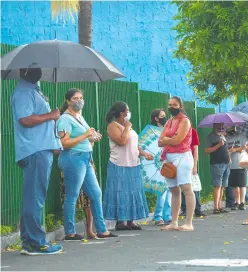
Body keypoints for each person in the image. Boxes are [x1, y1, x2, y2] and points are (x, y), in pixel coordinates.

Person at [11, 68, 63, 255]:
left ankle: (29, 241)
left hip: (41, 148)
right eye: (34, 67)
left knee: (33, 197)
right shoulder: (24, 91)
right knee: (35, 197)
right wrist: (51, 115)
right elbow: (24, 119)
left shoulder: (34, 89)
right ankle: (35, 242)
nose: (39, 70)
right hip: (35, 149)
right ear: (23, 70)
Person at [57, 88, 117, 240]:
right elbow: (64, 143)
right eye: (75, 98)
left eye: (81, 97)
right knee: (72, 195)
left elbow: (84, 138)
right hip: (73, 158)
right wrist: (85, 135)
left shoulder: (79, 117)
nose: (79, 100)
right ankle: (69, 232)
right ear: (68, 101)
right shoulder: (65, 119)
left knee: (96, 193)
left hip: (85, 158)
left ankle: (102, 230)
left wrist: (92, 138)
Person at [103, 102, 153, 230]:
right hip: (118, 163)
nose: (129, 113)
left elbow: (133, 144)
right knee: (120, 191)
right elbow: (122, 141)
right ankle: (120, 221)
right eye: (127, 110)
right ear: (122, 113)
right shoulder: (113, 126)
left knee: (132, 191)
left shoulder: (128, 127)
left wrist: (143, 153)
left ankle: (131, 220)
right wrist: (126, 127)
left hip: (133, 163)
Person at [158, 96, 195, 231]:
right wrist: (169, 139)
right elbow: (159, 140)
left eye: (174, 104)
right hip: (169, 158)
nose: (171, 107)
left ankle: (189, 223)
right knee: (174, 190)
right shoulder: (169, 121)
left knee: (186, 188)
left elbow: (178, 140)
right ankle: (174, 222)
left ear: (180, 106)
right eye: (170, 104)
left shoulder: (184, 121)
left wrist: (167, 139)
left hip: (182, 156)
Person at [150, 109, 172, 226]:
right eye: (162, 116)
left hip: (168, 160)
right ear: (156, 118)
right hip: (158, 162)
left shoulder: (168, 131)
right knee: (162, 189)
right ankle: (158, 215)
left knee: (169, 189)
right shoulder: (152, 132)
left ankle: (167, 215)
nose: (165, 118)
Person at [181, 127, 207, 217]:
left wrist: (195, 165)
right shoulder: (177, 131)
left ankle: (198, 208)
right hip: (180, 162)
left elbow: (195, 150)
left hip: (190, 162)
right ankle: (185, 209)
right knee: (183, 186)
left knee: (194, 187)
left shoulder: (192, 132)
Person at [205, 123, 230, 214]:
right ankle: (215, 207)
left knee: (223, 186)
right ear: (214, 126)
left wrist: (229, 158)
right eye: (219, 126)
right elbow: (207, 150)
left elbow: (226, 148)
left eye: (223, 126)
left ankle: (219, 206)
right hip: (217, 164)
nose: (221, 128)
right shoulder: (210, 137)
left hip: (226, 163)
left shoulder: (223, 135)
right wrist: (218, 145)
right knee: (217, 185)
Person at [227, 126, 248, 210]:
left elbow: (245, 147)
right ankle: (237, 202)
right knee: (235, 185)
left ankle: (242, 202)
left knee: (242, 184)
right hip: (232, 165)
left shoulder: (241, 136)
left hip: (241, 164)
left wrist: (235, 150)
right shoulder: (228, 138)